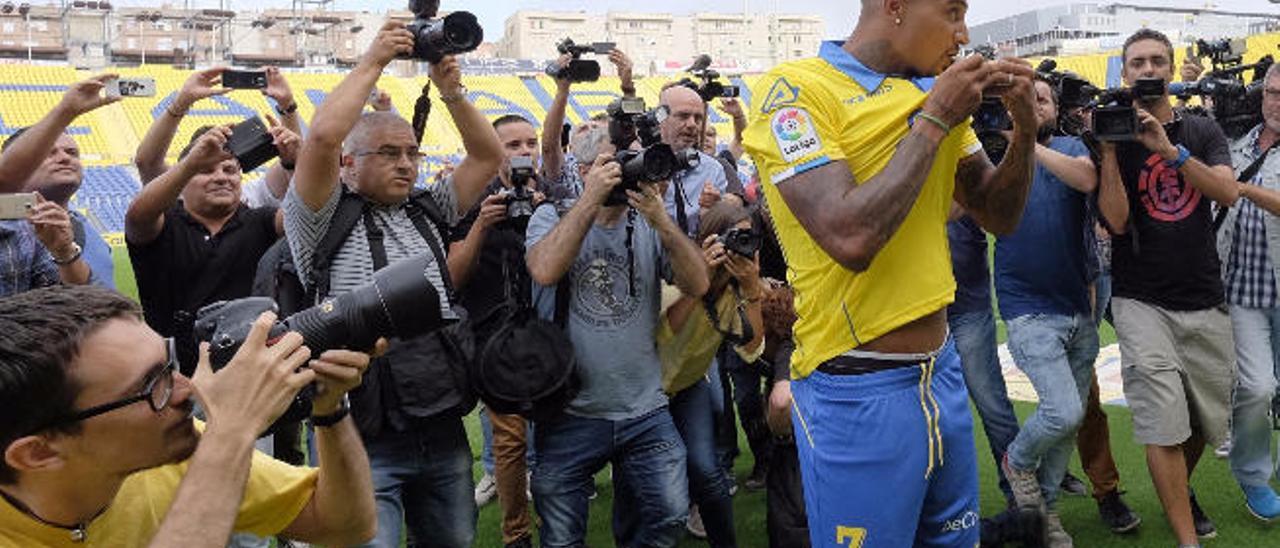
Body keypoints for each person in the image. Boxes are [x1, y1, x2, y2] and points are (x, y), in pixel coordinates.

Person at [740, 0, 1040, 545]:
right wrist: (936, 117)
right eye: (951, 12)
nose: (963, 31)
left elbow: (999, 215)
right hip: (855, 387)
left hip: (940, 372)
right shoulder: (794, 90)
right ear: (895, 6)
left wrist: (1024, 129)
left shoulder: (929, 94)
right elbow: (849, 236)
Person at [286, 21, 502, 548]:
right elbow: (320, 136)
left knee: (453, 540)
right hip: (359, 425)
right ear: (349, 164)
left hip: (440, 417)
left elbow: (487, 157)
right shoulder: (319, 215)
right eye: (388, 153)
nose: (405, 164)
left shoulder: (428, 209)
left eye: (411, 153)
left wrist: (450, 92)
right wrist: (373, 62)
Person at [0, 285, 377, 547]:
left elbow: (344, 524)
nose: (187, 390)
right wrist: (231, 431)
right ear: (38, 453)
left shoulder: (169, 450)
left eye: (170, 367)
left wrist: (328, 407)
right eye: (151, 387)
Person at [524, 124, 709, 547]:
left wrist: (662, 221)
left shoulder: (648, 223)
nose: (631, 172)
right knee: (562, 537)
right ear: (587, 168)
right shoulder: (550, 215)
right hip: (569, 410)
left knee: (669, 517)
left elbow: (698, 284)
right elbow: (545, 269)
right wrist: (590, 199)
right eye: (618, 162)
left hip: (644, 408)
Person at [1096, 28, 1240, 548]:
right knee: (1162, 425)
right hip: (1140, 300)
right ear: (1126, 72)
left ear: (1171, 67)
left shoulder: (1201, 129)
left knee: (1203, 423)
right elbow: (1113, 221)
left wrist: (1168, 148)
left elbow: (1227, 191)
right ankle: (1187, 540)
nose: (1148, 69)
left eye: (1158, 60)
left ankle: (1177, 489)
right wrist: (1110, 152)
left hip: (1204, 294)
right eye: (1137, 63)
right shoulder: (1110, 133)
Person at [125, 120, 299, 376]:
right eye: (206, 170)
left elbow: (307, 217)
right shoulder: (166, 224)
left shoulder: (261, 221)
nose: (221, 177)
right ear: (183, 179)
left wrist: (294, 163)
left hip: (251, 372)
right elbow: (137, 216)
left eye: (230, 170)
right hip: (175, 376)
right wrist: (191, 162)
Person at [448, 113, 546, 548]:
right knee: (509, 441)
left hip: (546, 336)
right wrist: (482, 227)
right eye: (513, 145)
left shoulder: (554, 194)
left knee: (553, 432)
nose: (525, 152)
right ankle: (516, 534)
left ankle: (556, 520)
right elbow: (453, 278)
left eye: (531, 143)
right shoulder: (470, 201)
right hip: (492, 339)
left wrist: (548, 217)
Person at [656, 200, 766, 547]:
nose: (740, 247)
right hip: (647, 391)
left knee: (708, 471)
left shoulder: (737, 288)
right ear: (710, 238)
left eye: (748, 240)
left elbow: (752, 349)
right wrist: (699, 275)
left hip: (689, 386)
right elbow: (666, 330)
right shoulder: (678, 266)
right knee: (655, 482)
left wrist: (752, 288)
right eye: (733, 239)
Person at [1216, 62, 1280, 521]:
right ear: (1263, 94)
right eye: (1275, 91)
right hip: (1242, 291)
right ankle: (1254, 476)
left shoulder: (1237, 161)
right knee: (1257, 388)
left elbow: (1231, 191)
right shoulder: (1235, 144)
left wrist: (1239, 189)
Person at [0, 74, 122, 289]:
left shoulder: (87, 229)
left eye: (72, 152)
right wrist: (66, 111)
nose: (65, 157)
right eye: (48, 153)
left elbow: (99, 306)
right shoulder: (8, 227)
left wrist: (67, 256)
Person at [541, 47, 638, 200]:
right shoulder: (566, 170)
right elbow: (549, 147)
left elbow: (632, 125)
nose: (591, 129)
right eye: (582, 129)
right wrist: (562, 90)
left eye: (595, 127)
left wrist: (628, 87)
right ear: (571, 148)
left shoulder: (624, 159)